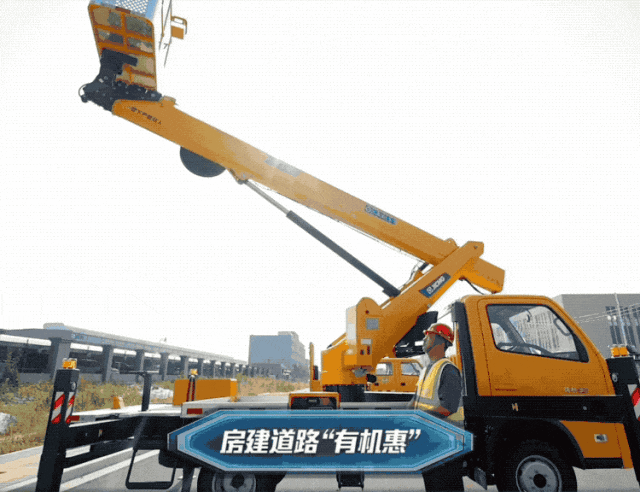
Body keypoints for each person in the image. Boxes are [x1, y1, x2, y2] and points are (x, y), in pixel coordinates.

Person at [414, 322, 464, 492]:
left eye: (428, 336)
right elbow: (419, 402)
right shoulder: (426, 369)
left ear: (440, 341)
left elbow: (448, 408)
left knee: (445, 486)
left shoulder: (448, 370)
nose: (424, 339)